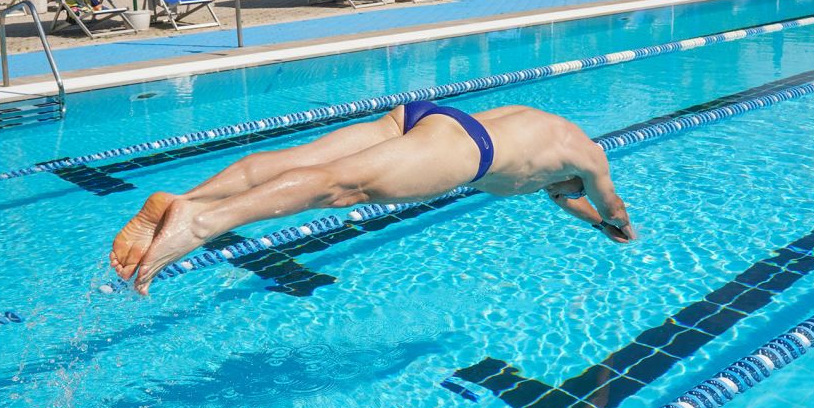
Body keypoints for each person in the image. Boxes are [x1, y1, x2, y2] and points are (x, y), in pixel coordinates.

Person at [111, 103, 634, 294]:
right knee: (338, 186)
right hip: (465, 150)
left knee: (298, 160)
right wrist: (620, 230)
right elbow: (615, 211)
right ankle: (201, 221)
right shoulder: (591, 159)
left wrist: (588, 221)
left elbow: (564, 199)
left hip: (431, 116)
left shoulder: (552, 135)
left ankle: (181, 196)